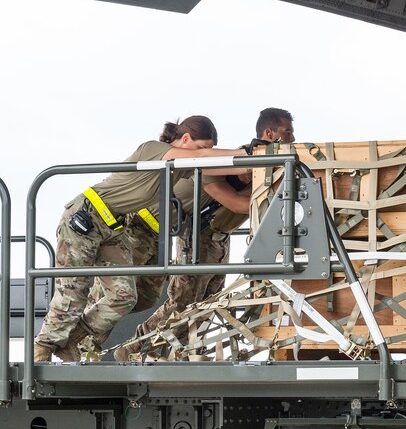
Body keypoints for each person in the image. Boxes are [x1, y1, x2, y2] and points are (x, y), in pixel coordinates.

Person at [33, 116, 249, 363]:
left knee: (126, 296)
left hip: (114, 226)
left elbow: (213, 167)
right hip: (87, 217)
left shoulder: (182, 167)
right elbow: (202, 160)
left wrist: (251, 163)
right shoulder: (153, 150)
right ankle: (43, 349)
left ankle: (75, 338)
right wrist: (243, 152)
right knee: (73, 292)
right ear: (186, 139)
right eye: (202, 147)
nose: (203, 153)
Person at [114, 108, 296, 361]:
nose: (293, 137)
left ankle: (184, 353)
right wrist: (282, 196)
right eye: (288, 132)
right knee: (182, 302)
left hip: (218, 238)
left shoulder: (267, 167)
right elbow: (237, 204)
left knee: (210, 302)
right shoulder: (211, 169)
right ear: (269, 134)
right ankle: (135, 347)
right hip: (197, 236)